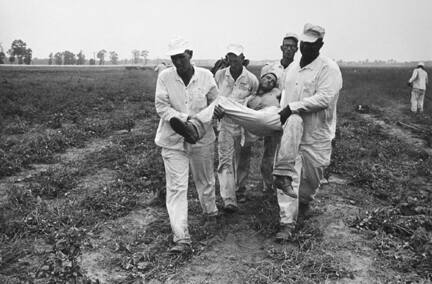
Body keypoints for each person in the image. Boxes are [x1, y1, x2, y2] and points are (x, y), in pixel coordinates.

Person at [273, 23, 343, 241]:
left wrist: (293, 108)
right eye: (304, 43)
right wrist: (280, 116)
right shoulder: (292, 69)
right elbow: (285, 97)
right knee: (287, 174)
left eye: (312, 45)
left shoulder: (328, 68)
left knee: (312, 179)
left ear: (320, 44)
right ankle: (286, 223)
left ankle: (304, 201)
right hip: (292, 134)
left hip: (317, 135)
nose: (306, 48)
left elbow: (325, 99)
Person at [154, 37, 219, 253]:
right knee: (176, 188)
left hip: (202, 136)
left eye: (181, 57)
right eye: (174, 58)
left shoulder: (206, 76)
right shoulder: (165, 77)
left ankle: (210, 212)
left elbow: (216, 102)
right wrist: (184, 120)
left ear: (190, 54)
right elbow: (162, 107)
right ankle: (181, 237)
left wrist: (208, 119)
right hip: (173, 139)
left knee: (205, 178)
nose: (178, 62)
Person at [215, 44, 259, 212]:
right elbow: (213, 95)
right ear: (227, 58)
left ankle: (240, 189)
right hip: (225, 123)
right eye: (230, 57)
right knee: (225, 159)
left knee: (243, 159)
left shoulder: (251, 79)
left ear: (242, 58)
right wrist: (216, 109)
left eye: (236, 57)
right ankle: (228, 198)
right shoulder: (220, 75)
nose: (233, 60)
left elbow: (255, 98)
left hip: (243, 125)